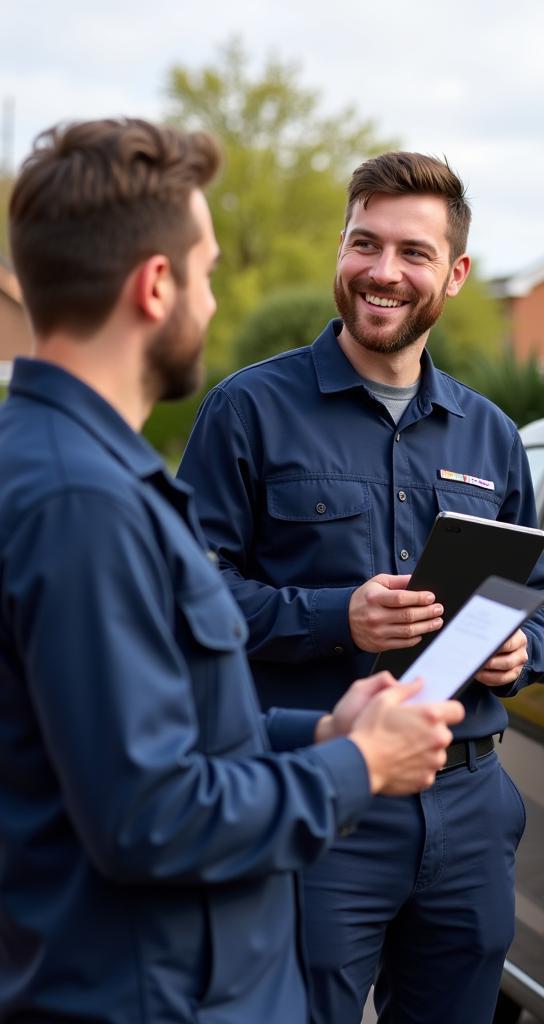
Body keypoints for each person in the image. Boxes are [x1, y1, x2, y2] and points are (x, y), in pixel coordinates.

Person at [0, 119, 465, 1023]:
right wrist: (361, 765)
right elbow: (149, 814)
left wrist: (320, 734)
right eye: (208, 273)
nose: (212, 303)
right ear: (157, 285)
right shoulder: (80, 503)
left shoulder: (82, 473)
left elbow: (154, 736)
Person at [178, 151, 544, 1023]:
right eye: (365, 244)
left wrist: (519, 650)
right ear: (340, 251)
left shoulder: (492, 435)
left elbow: (532, 596)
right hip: (318, 804)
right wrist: (333, 617)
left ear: (454, 274)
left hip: (468, 811)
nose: (384, 272)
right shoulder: (248, 412)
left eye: (414, 253)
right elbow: (186, 610)